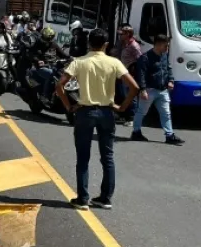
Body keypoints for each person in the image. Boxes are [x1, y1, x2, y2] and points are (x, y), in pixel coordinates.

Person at [56, 28, 138, 210]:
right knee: (107, 157)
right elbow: (134, 87)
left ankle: (82, 199)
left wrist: (69, 107)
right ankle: (105, 198)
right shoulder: (114, 62)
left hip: (85, 111)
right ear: (106, 45)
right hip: (107, 112)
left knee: (83, 157)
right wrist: (122, 107)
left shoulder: (79, 62)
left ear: (88, 43)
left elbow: (60, 86)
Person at [131, 35, 184, 145]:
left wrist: (171, 80)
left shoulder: (164, 55)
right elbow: (141, 75)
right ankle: (136, 132)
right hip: (149, 90)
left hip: (162, 90)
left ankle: (169, 135)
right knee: (141, 112)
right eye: (166, 45)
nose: (167, 48)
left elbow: (168, 69)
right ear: (159, 44)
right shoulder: (145, 58)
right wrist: (143, 89)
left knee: (166, 113)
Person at [28, 26, 70, 101]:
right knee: (51, 75)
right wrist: (37, 61)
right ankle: (45, 95)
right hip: (42, 67)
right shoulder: (38, 44)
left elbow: (62, 54)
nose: (48, 40)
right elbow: (31, 54)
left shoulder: (53, 44)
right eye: (47, 38)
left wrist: (71, 58)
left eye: (50, 38)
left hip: (55, 66)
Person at [116, 25, 142, 125]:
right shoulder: (125, 44)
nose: (120, 36)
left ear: (127, 34)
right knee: (125, 95)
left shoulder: (134, 46)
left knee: (132, 96)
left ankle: (132, 118)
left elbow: (139, 60)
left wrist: (135, 72)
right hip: (124, 73)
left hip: (130, 74)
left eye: (122, 34)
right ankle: (126, 116)